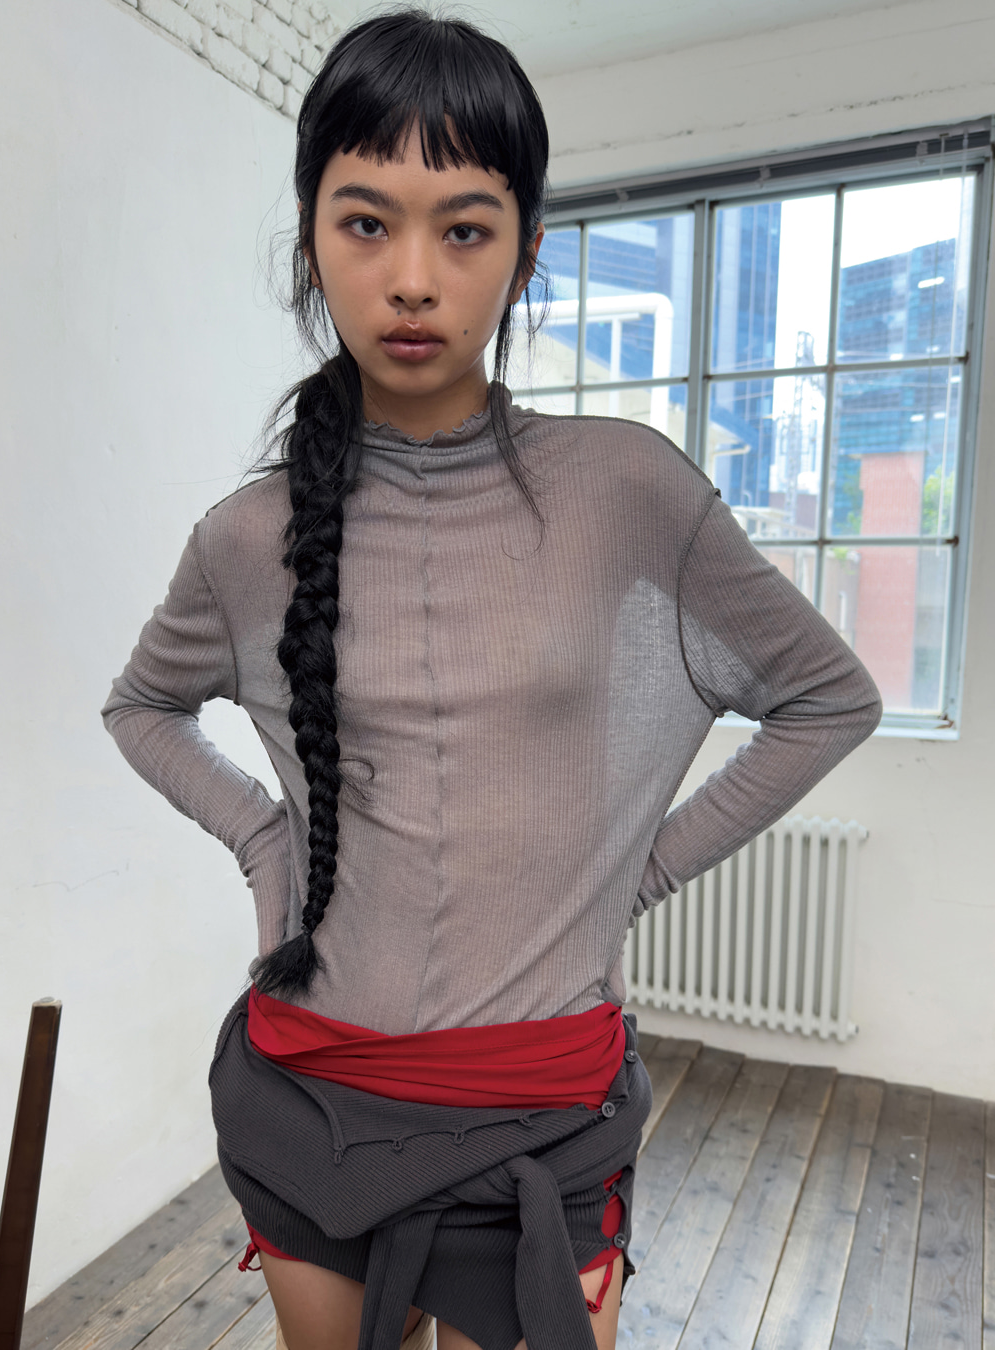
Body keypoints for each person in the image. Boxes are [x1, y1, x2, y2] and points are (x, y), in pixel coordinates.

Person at [101, 9, 883, 1350]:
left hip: (542, 1112)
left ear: (524, 253)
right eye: (366, 223)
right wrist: (262, 836)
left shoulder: (627, 491)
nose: (413, 279)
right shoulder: (243, 537)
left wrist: (639, 868)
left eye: (463, 230)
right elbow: (142, 706)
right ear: (310, 243)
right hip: (311, 1096)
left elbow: (827, 697)